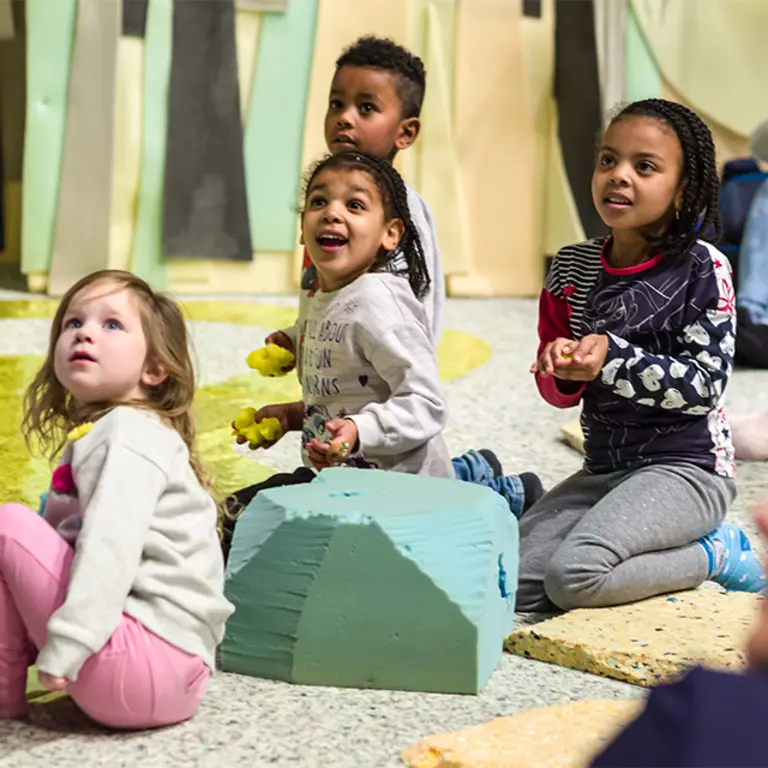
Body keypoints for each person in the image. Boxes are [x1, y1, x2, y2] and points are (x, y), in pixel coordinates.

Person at [233, 36, 542, 534]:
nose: (344, 117)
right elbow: (333, 305)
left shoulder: (396, 225)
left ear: (405, 131)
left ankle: (485, 493)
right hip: (349, 416)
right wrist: (298, 340)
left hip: (386, 399)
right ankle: (468, 473)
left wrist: (361, 410)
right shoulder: (335, 205)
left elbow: (391, 324)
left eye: (366, 107)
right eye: (337, 103)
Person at [519, 98, 765, 613]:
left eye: (644, 166)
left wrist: (610, 358)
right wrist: (562, 366)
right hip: (605, 469)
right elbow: (558, 392)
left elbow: (703, 388)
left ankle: (715, 552)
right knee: (503, 584)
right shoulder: (572, 267)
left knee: (574, 578)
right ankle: (629, 538)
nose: (619, 176)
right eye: (608, 160)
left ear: (684, 191)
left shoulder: (703, 267)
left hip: (688, 470)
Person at [0, 270, 233, 726]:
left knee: (8, 525)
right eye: (73, 323)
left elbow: (110, 547)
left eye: (112, 325)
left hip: (142, 663)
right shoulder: (117, 433)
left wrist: (68, 644)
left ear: (154, 370)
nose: (85, 331)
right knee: (18, 548)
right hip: (172, 677)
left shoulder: (125, 434)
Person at [590, 502, 768, 767]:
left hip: (675, 471)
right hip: (611, 472)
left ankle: (715, 554)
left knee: (579, 577)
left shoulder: (707, 711)